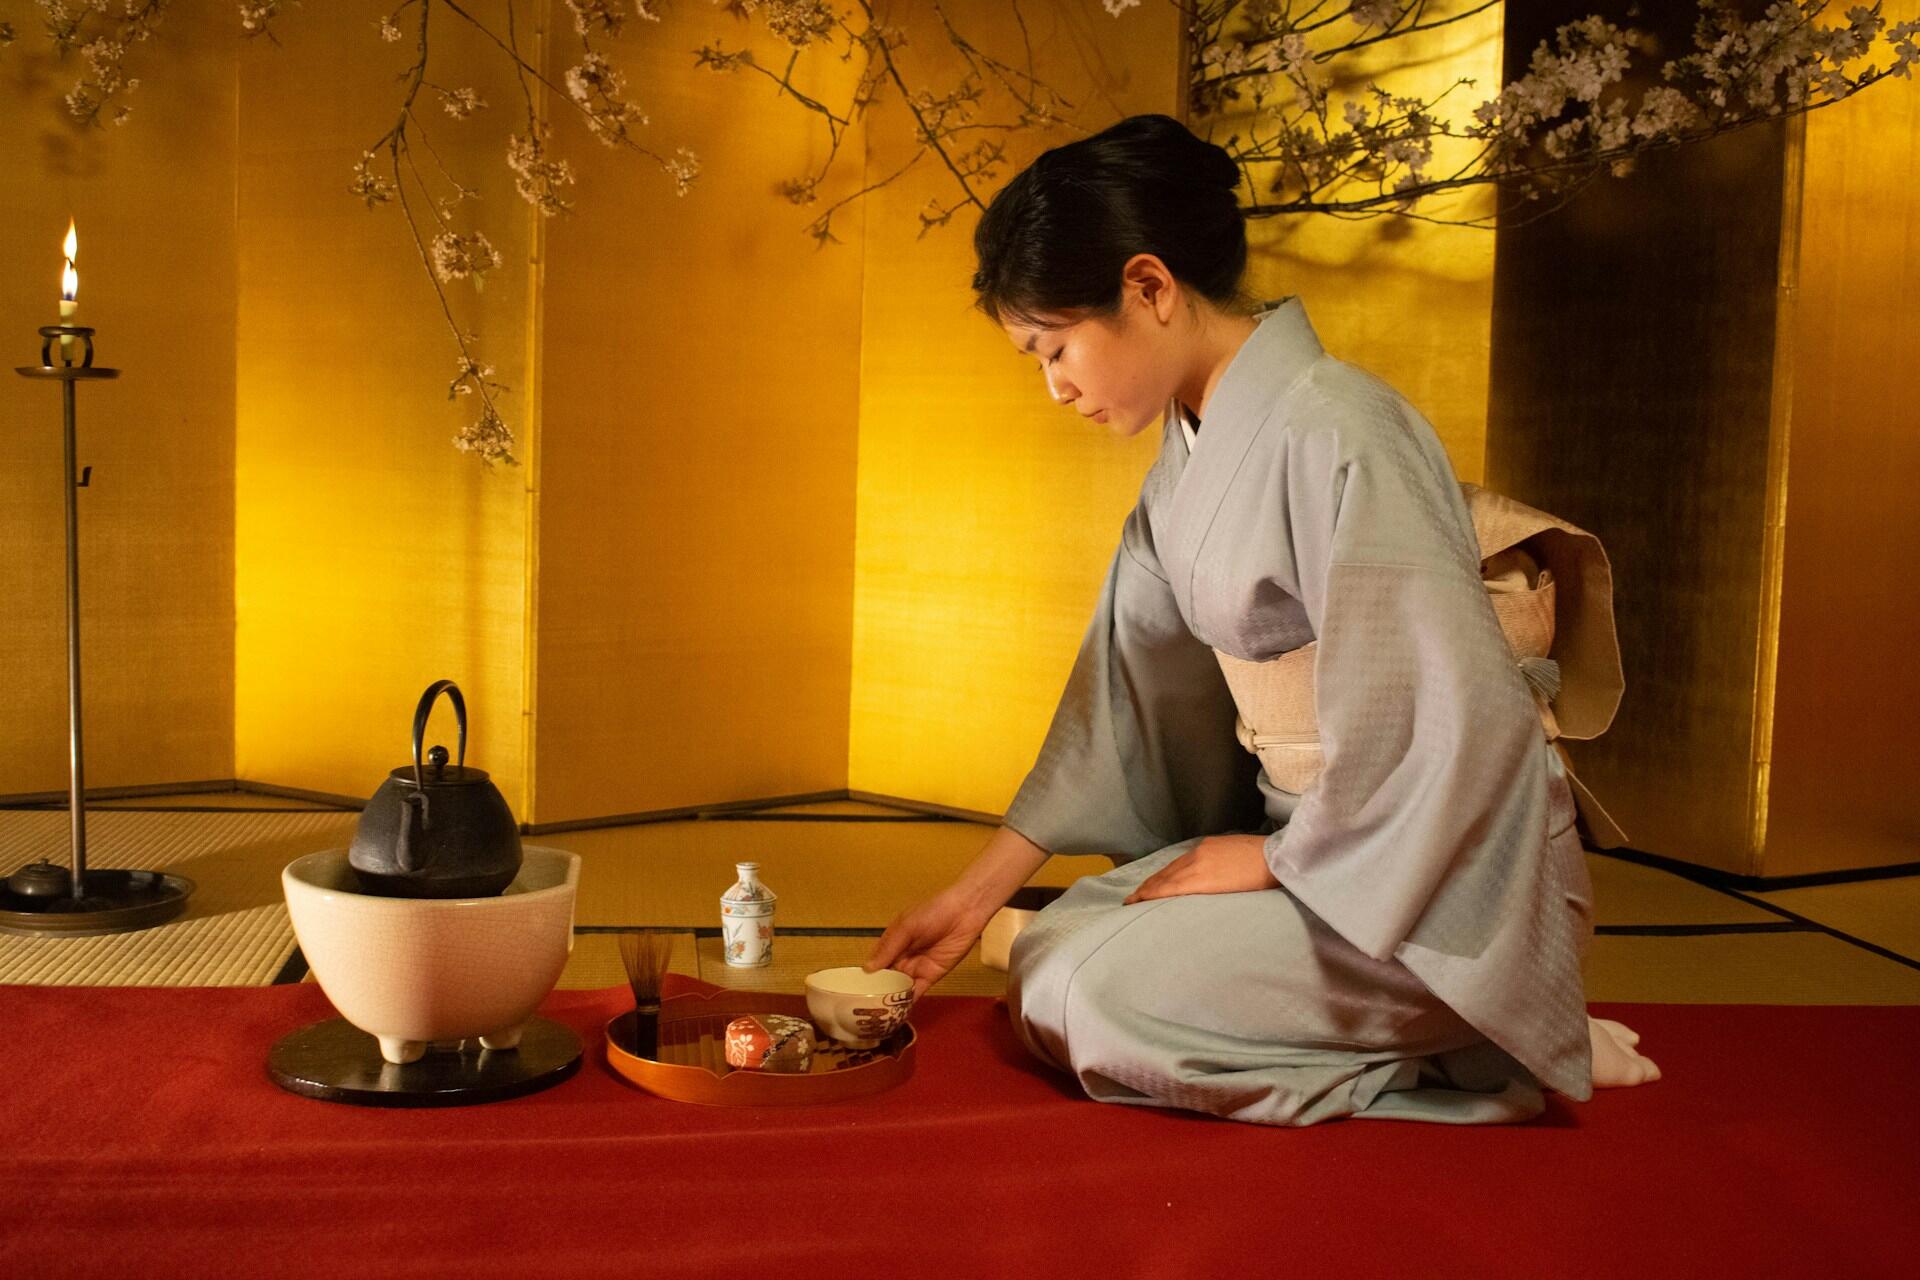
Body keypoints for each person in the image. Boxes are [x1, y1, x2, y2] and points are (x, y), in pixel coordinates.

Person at [864, 113, 1659, 1125]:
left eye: (1055, 346)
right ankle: (1445, 1033)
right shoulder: (1182, 464)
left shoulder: (1341, 428)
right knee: (1054, 944)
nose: (1054, 386)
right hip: (1317, 852)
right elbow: (1122, 705)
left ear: (1150, 288)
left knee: (1086, 991)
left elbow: (1448, 712)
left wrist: (1276, 860)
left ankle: (1480, 1023)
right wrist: (973, 894)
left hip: (1438, 878)